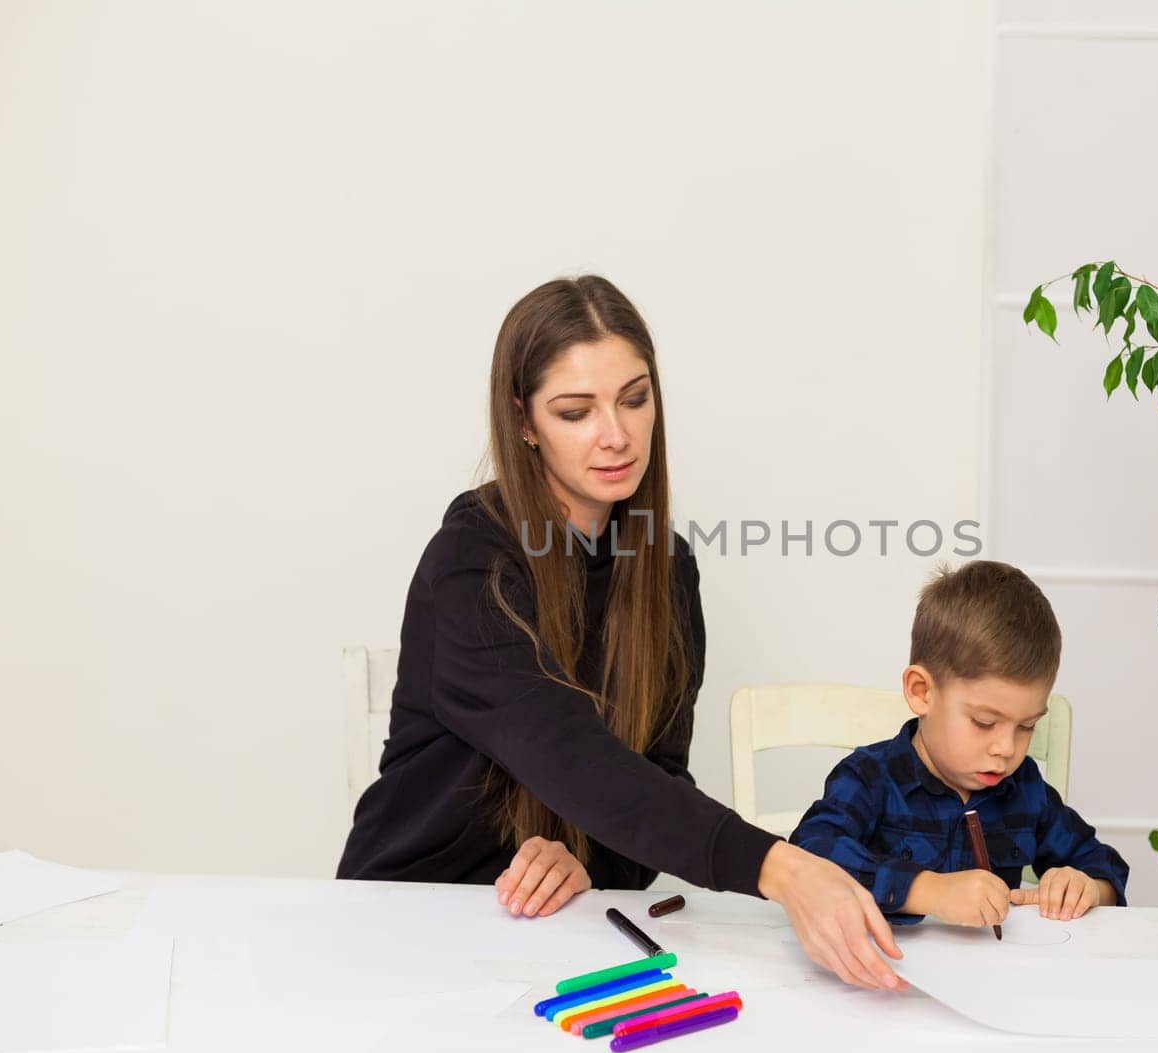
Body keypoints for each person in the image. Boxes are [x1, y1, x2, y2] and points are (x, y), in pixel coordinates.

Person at [337, 275, 904, 990]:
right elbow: (568, 751)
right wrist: (781, 867)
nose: (617, 433)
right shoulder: (470, 562)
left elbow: (655, 777)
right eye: (576, 411)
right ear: (523, 421)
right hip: (407, 921)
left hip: (560, 930)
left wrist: (590, 864)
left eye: (635, 398)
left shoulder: (664, 569)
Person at [791, 561, 1128, 928]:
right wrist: (929, 890)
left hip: (994, 976)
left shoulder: (1024, 788)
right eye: (984, 722)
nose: (1006, 748)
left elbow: (1103, 864)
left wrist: (1088, 888)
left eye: (1027, 726)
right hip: (887, 975)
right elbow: (810, 854)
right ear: (922, 692)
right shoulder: (870, 778)